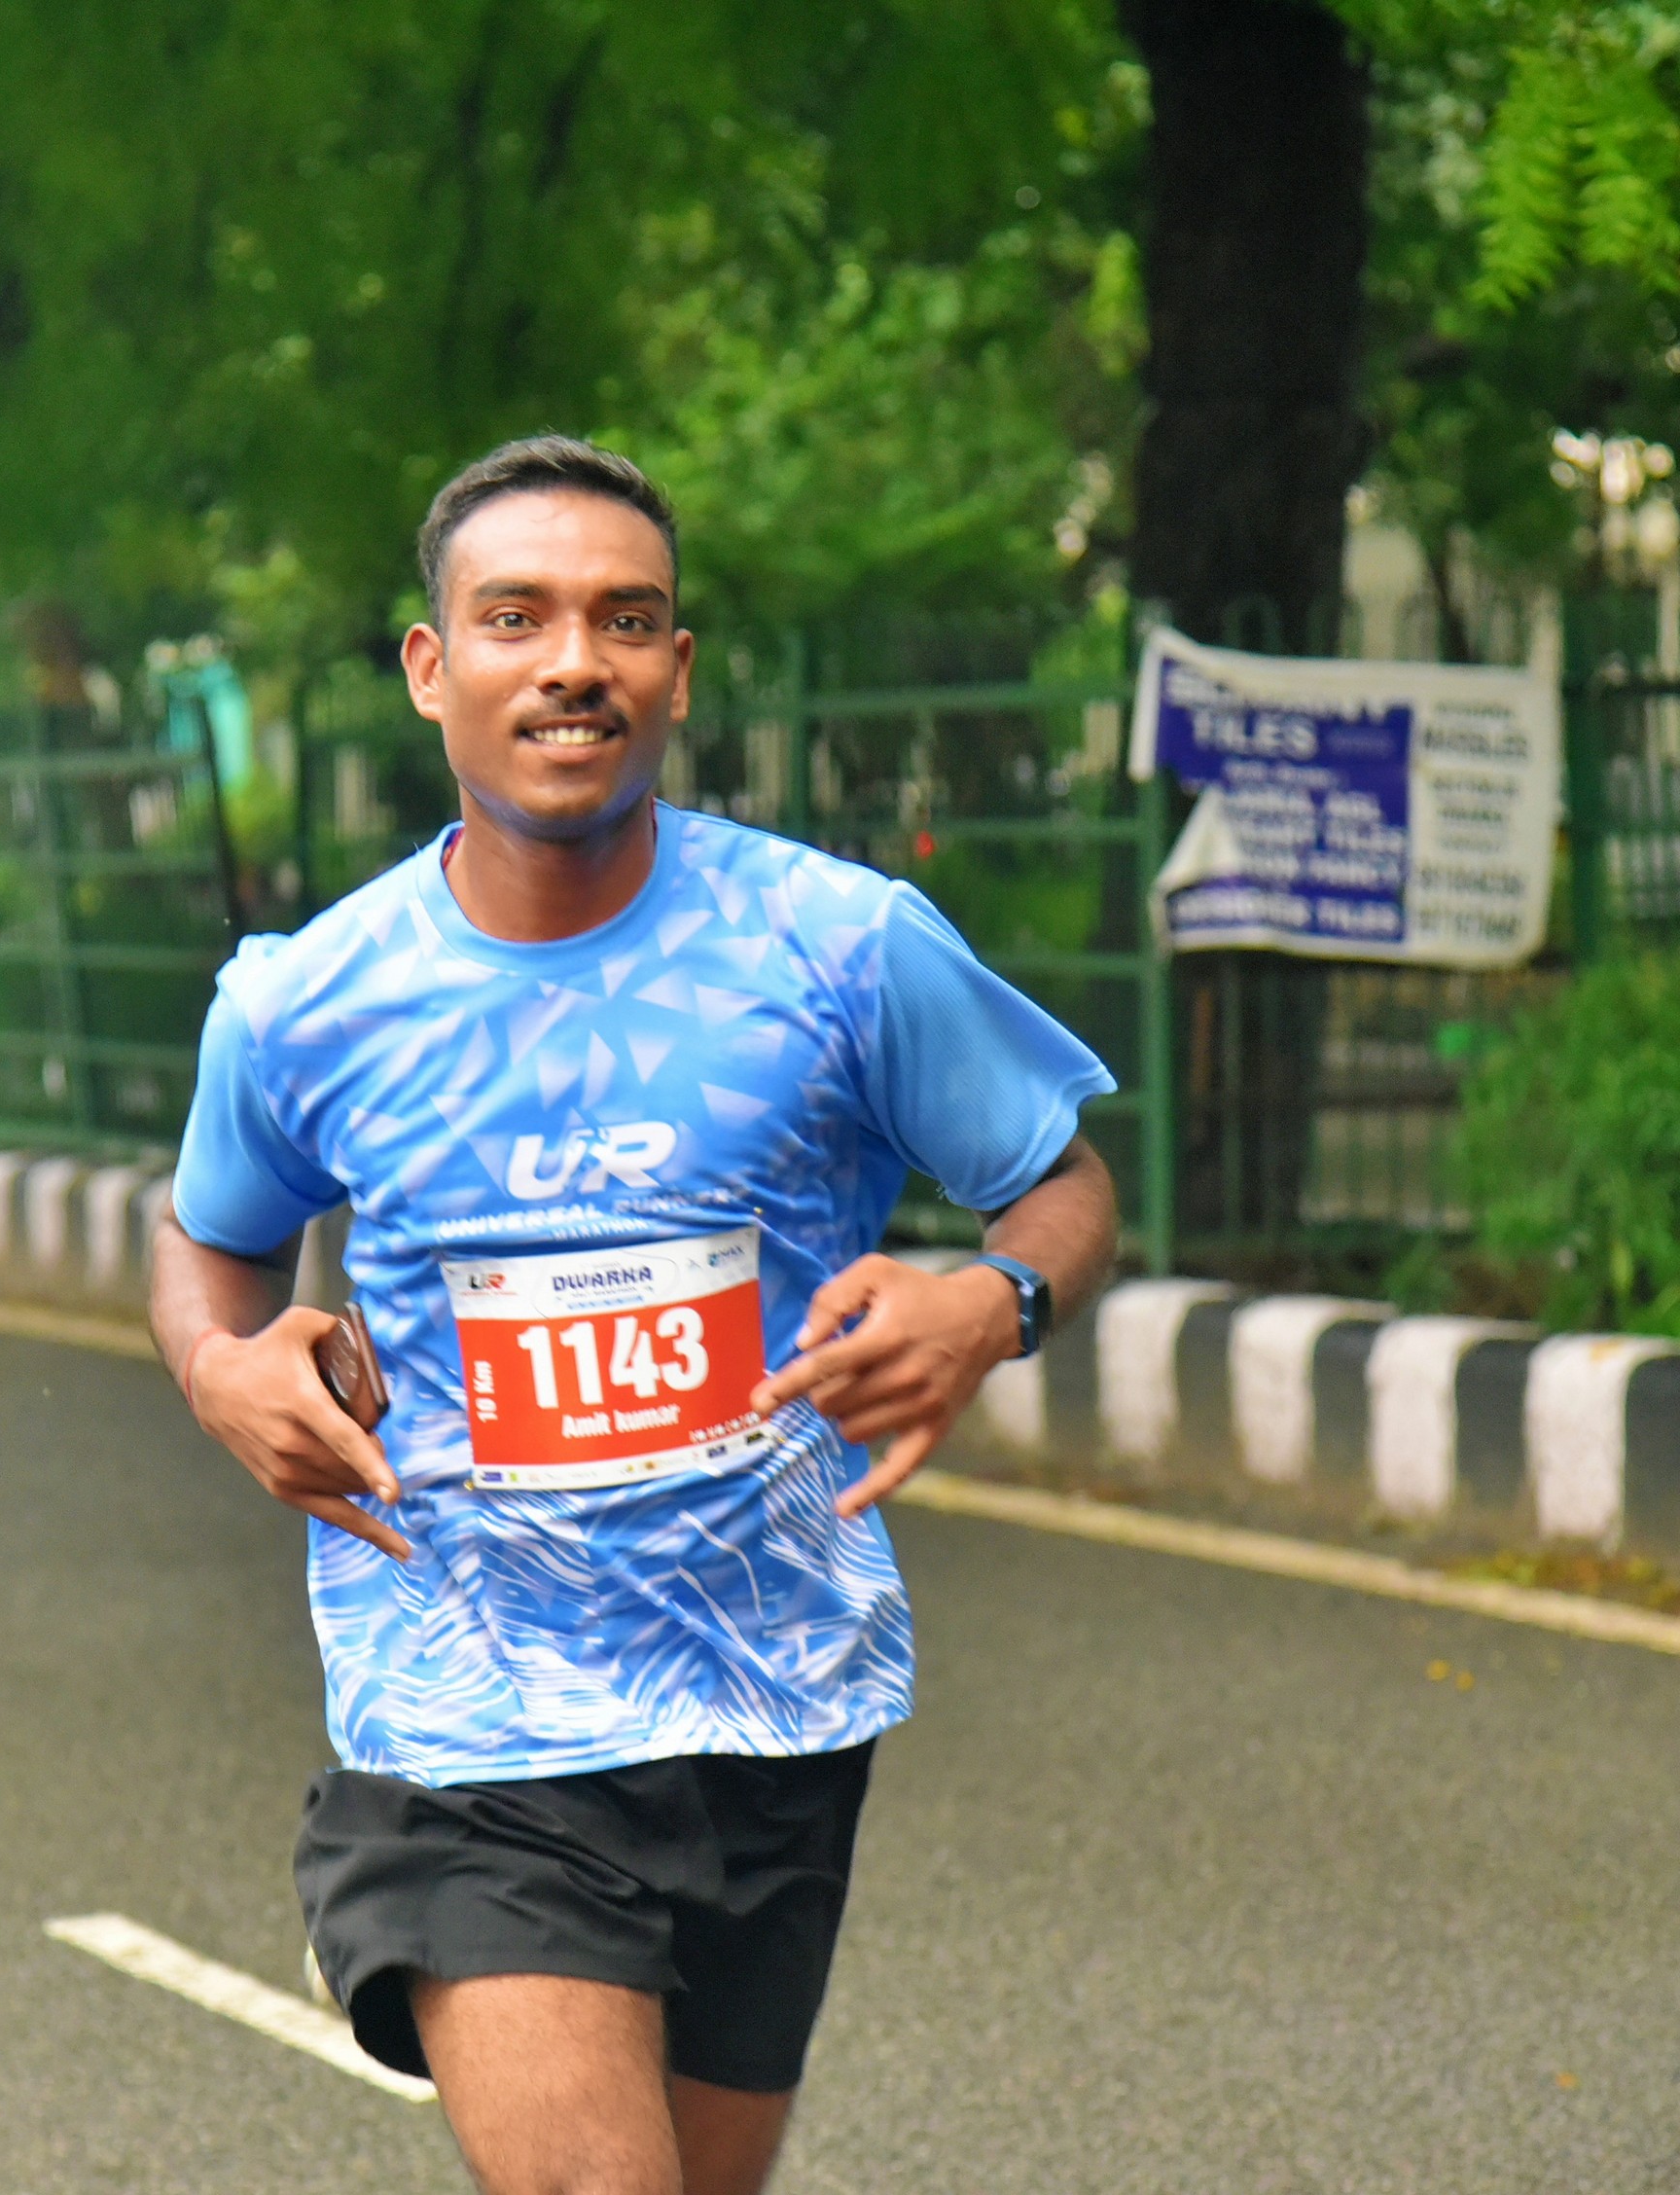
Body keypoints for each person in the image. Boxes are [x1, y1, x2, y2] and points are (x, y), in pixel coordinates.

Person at [151, 436, 1119, 2195]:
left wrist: (993, 1303)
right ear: (432, 668)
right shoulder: (311, 1002)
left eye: (624, 619)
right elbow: (209, 1240)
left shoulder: (840, 946)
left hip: (771, 1695)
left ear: (678, 667)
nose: (573, 661)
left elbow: (1058, 1184)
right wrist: (225, 1366)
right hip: (466, 1711)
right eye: (515, 617)